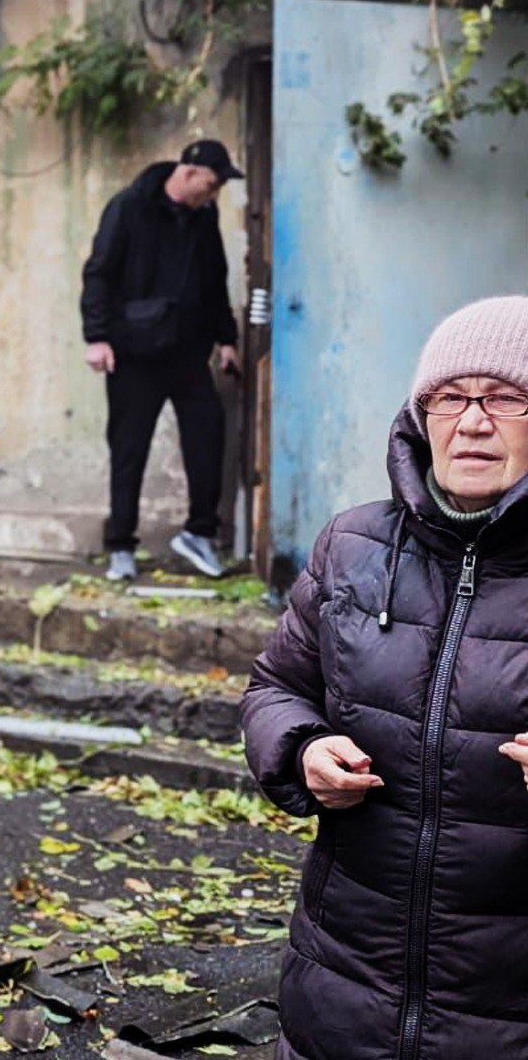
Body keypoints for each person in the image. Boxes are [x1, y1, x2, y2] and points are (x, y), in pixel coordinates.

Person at [242, 296, 528, 1060]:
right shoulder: (352, 546)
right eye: (450, 397)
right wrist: (301, 749)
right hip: (343, 987)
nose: (472, 421)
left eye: (505, 397)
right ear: (420, 414)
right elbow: (275, 688)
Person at [80, 139, 243, 582]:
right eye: (210, 185)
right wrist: (97, 337)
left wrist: (226, 339)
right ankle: (120, 548)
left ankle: (199, 535)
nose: (213, 196)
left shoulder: (204, 217)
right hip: (134, 354)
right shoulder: (129, 207)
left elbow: (214, 280)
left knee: (207, 435)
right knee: (129, 449)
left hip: (188, 352)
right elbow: (98, 273)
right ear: (188, 173)